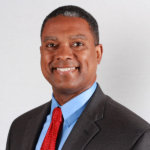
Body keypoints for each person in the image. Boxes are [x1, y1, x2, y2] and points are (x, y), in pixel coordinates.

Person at [6, 5, 150, 150]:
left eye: (77, 44)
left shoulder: (134, 135)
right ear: (41, 52)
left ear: (98, 53)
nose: (63, 54)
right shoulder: (20, 128)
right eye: (51, 45)